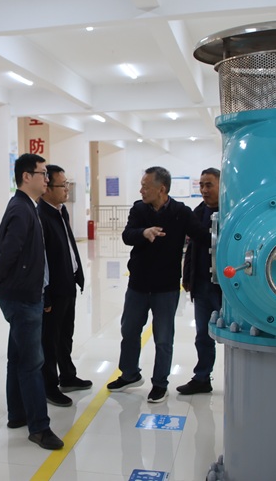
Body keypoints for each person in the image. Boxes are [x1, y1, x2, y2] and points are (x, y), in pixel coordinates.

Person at [0, 153, 65, 451]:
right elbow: (11, 250)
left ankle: (17, 414)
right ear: (26, 176)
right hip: (22, 297)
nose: (47, 179)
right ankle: (39, 428)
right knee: (32, 362)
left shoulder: (26, 206)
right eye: (43, 173)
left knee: (17, 357)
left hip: (25, 293)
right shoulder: (21, 209)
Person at [107, 166, 209, 403]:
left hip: (166, 287)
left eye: (145, 186)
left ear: (161, 189)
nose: (141, 190)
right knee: (129, 330)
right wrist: (144, 232)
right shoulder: (139, 209)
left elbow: (202, 236)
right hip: (138, 285)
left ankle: (160, 383)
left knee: (163, 338)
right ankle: (129, 374)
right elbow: (127, 235)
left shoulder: (180, 212)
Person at [37, 165, 90, 407]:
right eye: (62, 185)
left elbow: (69, 244)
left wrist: (78, 273)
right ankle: (49, 386)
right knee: (49, 338)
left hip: (68, 283)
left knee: (65, 334)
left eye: (67, 184)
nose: (67, 189)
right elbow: (42, 260)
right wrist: (46, 294)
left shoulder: (61, 211)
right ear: (47, 188)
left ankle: (67, 375)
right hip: (54, 288)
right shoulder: (41, 215)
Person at [177, 168, 222, 395]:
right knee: (203, 335)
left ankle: (241, 378)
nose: (204, 189)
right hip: (202, 285)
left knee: (234, 336)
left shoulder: (232, 213)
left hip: (227, 289)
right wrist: (187, 278)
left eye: (209, 185)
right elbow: (191, 249)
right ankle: (202, 377)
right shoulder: (198, 213)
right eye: (201, 185)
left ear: (222, 185)